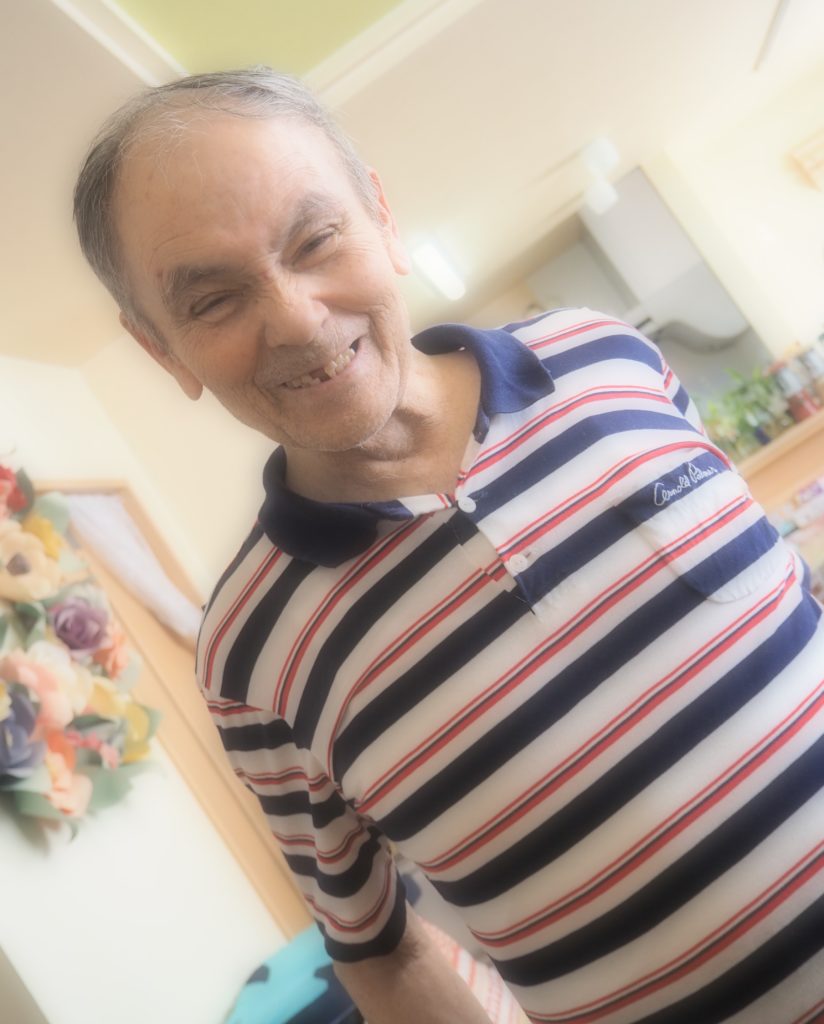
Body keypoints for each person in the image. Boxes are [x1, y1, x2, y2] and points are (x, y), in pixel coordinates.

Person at [74, 67, 824, 1024]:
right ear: (162, 349)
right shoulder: (249, 655)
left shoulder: (607, 359)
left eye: (315, 239)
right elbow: (377, 955)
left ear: (382, 217)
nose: (296, 320)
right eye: (214, 300)